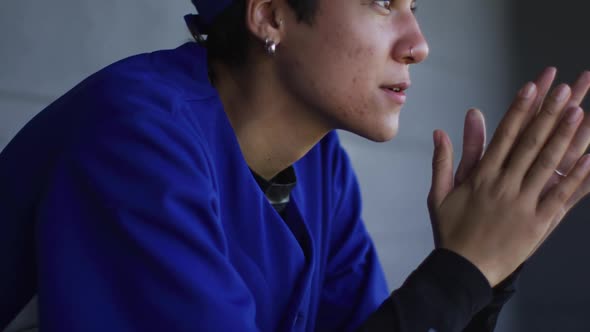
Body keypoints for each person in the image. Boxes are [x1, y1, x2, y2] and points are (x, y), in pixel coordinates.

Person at [1, 0, 589, 330]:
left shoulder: (320, 166)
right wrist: (463, 269)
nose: (418, 43)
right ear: (271, 16)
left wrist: (488, 270)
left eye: (415, 6)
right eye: (383, 3)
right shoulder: (135, 135)